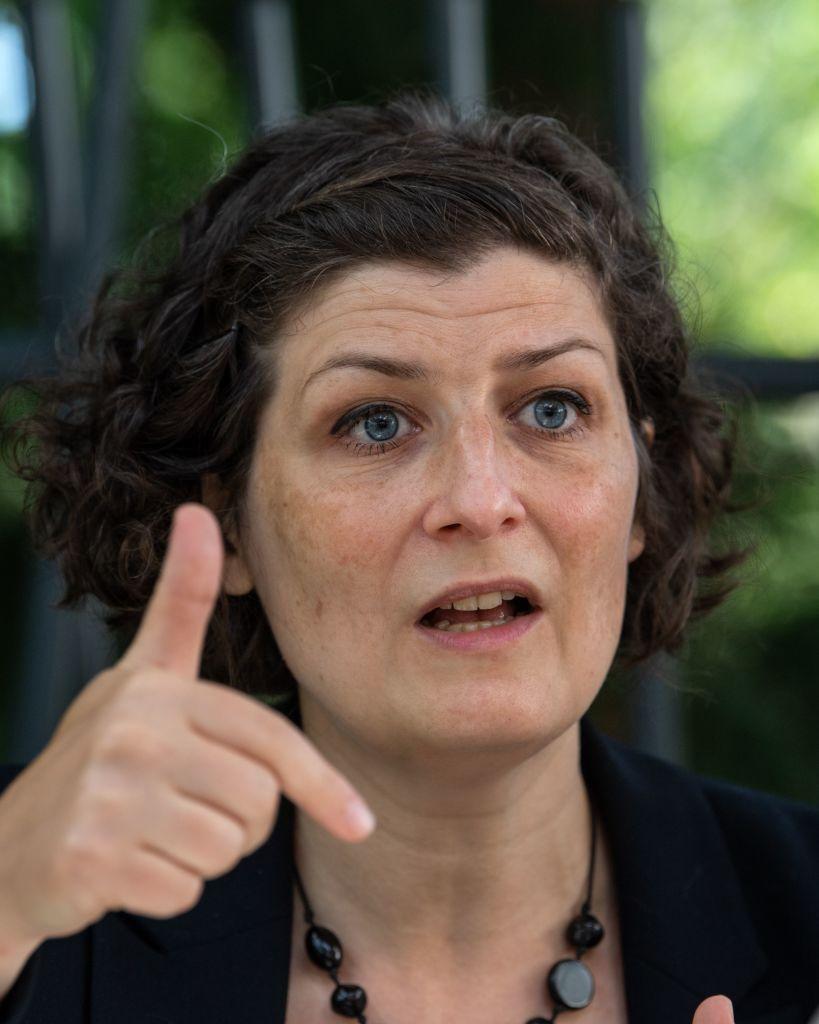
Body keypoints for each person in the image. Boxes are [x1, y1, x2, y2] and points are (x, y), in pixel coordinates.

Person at [0, 92, 817, 1024]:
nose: (479, 500)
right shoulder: (33, 903)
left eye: (551, 409)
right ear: (227, 526)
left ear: (641, 484)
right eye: (375, 423)